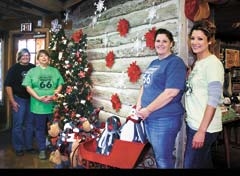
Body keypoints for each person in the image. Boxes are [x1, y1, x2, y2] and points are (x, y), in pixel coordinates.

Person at [136, 28, 187, 168]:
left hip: (164, 119)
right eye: (158, 41)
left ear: (171, 43)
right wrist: (139, 106)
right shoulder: (154, 63)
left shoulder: (175, 63)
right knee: (159, 157)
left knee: (163, 159)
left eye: (165, 41)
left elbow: (171, 92)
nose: (161, 44)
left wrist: (148, 110)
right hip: (149, 118)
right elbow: (144, 86)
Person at [184, 20, 224, 168]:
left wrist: (201, 131)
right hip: (193, 123)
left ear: (209, 41)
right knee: (203, 162)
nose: (195, 42)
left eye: (200, 39)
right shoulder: (198, 63)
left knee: (190, 165)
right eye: (193, 38)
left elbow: (213, 100)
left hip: (204, 127)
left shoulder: (212, 64)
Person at [22, 49, 64, 160]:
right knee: (39, 128)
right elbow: (28, 87)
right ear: (38, 59)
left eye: (46, 56)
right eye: (41, 56)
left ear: (48, 59)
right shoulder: (32, 71)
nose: (44, 58)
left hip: (52, 106)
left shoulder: (54, 71)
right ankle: (42, 149)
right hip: (37, 106)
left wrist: (54, 95)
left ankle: (55, 148)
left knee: (55, 128)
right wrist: (38, 98)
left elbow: (60, 84)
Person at [4, 48, 36, 156]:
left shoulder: (33, 68)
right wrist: (12, 101)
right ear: (19, 57)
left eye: (27, 55)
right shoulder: (14, 69)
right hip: (19, 99)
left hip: (31, 100)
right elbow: (8, 86)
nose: (25, 57)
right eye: (23, 55)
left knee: (30, 124)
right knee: (18, 124)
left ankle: (29, 146)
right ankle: (18, 147)